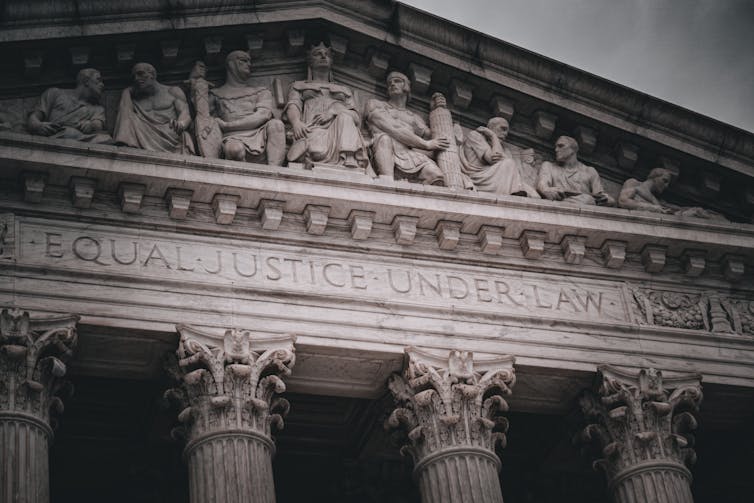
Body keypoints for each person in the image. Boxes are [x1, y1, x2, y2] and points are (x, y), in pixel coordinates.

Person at [284, 43, 368, 170]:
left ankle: (349, 158)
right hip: (311, 128)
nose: (323, 56)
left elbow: (356, 118)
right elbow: (293, 105)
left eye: (327, 54)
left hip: (341, 131)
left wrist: (334, 111)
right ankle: (305, 150)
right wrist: (296, 123)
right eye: (317, 54)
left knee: (345, 117)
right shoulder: (299, 85)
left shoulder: (344, 89)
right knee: (316, 151)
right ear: (310, 61)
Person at [365, 71, 448, 183]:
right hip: (384, 151)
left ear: (407, 86)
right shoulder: (376, 104)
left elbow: (434, 137)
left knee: (436, 176)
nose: (392, 84)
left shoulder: (414, 118)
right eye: (390, 82)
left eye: (397, 81)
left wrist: (438, 109)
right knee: (384, 138)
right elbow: (393, 128)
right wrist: (426, 144)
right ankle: (386, 182)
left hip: (409, 155)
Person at [209, 51, 285, 165]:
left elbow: (263, 115)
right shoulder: (215, 94)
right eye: (244, 60)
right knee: (234, 150)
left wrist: (228, 126)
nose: (249, 64)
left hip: (258, 133)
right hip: (232, 137)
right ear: (231, 64)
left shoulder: (261, 91)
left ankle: (275, 173)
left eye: (249, 61)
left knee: (277, 125)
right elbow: (205, 120)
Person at [113, 62, 194, 154]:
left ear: (152, 75)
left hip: (170, 134)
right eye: (134, 77)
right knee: (131, 117)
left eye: (140, 74)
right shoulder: (134, 98)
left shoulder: (172, 91)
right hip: (143, 133)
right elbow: (125, 114)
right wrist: (126, 92)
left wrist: (181, 123)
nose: (136, 79)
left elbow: (185, 112)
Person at [460, 117, 539, 197]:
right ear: (491, 128)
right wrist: (493, 135)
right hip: (478, 177)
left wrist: (532, 192)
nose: (505, 134)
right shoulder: (475, 135)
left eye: (507, 131)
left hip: (492, 177)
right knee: (509, 163)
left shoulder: (503, 149)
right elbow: (492, 159)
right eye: (503, 129)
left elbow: (513, 175)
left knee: (534, 195)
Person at [27, 68, 112, 143]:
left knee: (104, 138)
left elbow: (98, 124)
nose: (102, 85)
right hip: (53, 137)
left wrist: (91, 125)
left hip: (80, 139)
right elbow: (33, 118)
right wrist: (38, 126)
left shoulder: (97, 109)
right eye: (98, 80)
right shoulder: (54, 93)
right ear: (86, 81)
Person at [619, 167, 726, 220]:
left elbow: (671, 210)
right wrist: (655, 209)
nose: (666, 186)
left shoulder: (657, 201)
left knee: (697, 211)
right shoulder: (634, 183)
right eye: (664, 180)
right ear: (654, 176)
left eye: (668, 183)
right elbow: (623, 201)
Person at [536, 135, 614, 206]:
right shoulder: (548, 166)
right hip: (556, 205)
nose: (556, 150)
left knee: (588, 199)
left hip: (584, 209)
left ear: (573, 149)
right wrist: (546, 190)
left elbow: (601, 196)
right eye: (556, 147)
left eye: (561, 146)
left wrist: (606, 199)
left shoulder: (589, 171)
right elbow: (542, 185)